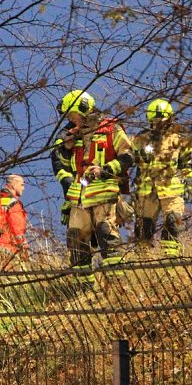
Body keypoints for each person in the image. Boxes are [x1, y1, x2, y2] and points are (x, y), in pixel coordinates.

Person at [50, 89, 134, 290]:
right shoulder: (69, 135)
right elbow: (59, 163)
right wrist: (65, 148)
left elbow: (129, 156)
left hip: (104, 194)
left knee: (107, 235)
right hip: (78, 197)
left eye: (72, 114)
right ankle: (83, 290)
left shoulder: (111, 129)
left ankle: (117, 287)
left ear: (84, 109)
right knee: (76, 240)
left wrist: (105, 169)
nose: (71, 120)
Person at [132, 99, 192, 258]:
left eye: (163, 119)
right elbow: (130, 159)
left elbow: (186, 165)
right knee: (144, 229)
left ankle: (171, 258)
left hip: (171, 190)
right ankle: (143, 260)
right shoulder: (141, 139)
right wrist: (141, 156)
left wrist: (189, 184)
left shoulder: (180, 140)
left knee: (173, 222)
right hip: (146, 191)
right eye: (156, 120)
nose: (159, 123)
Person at [0, 174, 29, 265]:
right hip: (8, 247)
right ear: (13, 184)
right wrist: (24, 246)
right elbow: (17, 229)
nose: (23, 188)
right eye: (22, 185)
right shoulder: (13, 203)